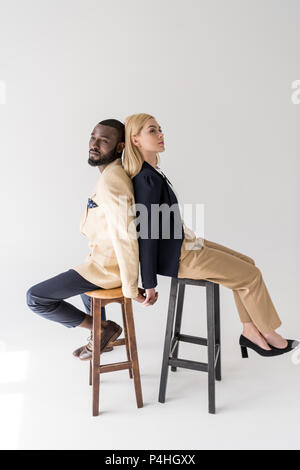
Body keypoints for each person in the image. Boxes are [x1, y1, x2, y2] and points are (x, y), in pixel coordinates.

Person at [123, 112, 298, 358]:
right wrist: (148, 282)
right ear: (135, 140)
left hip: (183, 244)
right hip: (180, 256)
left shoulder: (152, 173)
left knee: (248, 265)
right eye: (152, 130)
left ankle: (250, 330)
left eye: (160, 129)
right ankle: (268, 334)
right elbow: (148, 233)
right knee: (251, 276)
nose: (161, 134)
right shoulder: (146, 180)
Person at [26, 119, 146, 361]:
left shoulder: (113, 180)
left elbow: (127, 236)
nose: (95, 144)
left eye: (104, 140)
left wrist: (131, 286)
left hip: (106, 268)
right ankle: (102, 335)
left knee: (36, 298)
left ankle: (101, 330)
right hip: (99, 263)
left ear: (120, 147)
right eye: (93, 137)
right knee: (85, 291)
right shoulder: (109, 175)